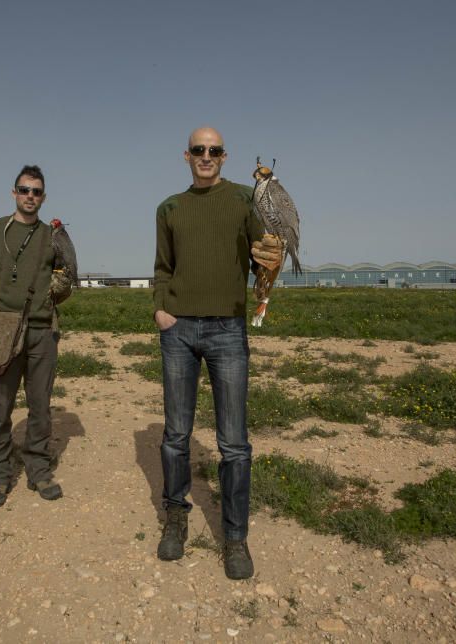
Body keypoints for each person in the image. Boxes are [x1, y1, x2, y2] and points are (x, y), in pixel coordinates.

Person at [153, 127, 282, 580]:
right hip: (179, 330)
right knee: (175, 435)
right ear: (185, 155)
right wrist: (161, 310)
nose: (205, 156)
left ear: (224, 157)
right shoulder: (169, 207)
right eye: (198, 150)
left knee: (233, 443)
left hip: (228, 328)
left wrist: (270, 261)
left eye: (214, 150)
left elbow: (262, 255)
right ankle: (175, 520)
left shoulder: (247, 200)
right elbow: (162, 267)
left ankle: (235, 538)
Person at [0, 165, 63, 509]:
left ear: (44, 197)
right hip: (1, 329)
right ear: (14, 193)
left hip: (42, 330)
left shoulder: (53, 235)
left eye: (36, 192)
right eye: (24, 190)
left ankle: (38, 469)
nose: (30, 197)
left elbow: (66, 281)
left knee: (40, 407)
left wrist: (62, 286)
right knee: (0, 406)